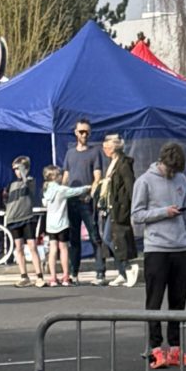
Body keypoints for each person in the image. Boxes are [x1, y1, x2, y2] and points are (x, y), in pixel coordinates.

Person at [131, 143, 186, 366]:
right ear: (162, 162)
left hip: (182, 249)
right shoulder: (144, 181)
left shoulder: (182, 179)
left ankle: (176, 349)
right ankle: (156, 348)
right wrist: (163, 212)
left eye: (176, 171)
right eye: (170, 169)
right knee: (154, 301)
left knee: (178, 303)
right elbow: (136, 215)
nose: (172, 174)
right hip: (157, 249)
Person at [62, 117, 107, 283]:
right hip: (71, 201)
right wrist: (60, 193)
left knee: (95, 236)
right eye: (81, 132)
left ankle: (100, 272)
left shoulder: (94, 152)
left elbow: (98, 177)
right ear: (75, 133)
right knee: (74, 238)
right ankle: (74, 273)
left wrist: (91, 194)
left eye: (87, 132)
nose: (84, 135)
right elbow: (66, 176)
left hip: (86, 201)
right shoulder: (70, 153)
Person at [101, 134, 138, 288]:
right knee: (110, 239)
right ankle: (122, 272)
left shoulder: (123, 164)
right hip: (111, 206)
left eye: (105, 147)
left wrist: (132, 206)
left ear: (112, 149)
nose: (104, 150)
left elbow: (130, 186)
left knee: (113, 238)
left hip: (120, 207)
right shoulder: (113, 163)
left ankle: (128, 267)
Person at [5, 156, 41, 285]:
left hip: (27, 218)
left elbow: (27, 183)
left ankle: (39, 276)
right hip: (14, 219)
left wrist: (23, 169)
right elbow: (7, 201)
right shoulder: (11, 185)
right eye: (15, 169)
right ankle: (24, 276)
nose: (17, 172)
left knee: (32, 246)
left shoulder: (30, 181)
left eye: (19, 168)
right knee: (18, 248)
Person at [42, 165, 72, 286]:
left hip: (50, 224)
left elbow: (44, 204)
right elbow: (76, 191)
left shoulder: (46, 190)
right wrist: (87, 187)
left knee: (53, 249)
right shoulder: (62, 190)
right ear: (55, 176)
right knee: (63, 248)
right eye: (59, 175)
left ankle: (53, 277)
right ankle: (65, 276)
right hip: (62, 223)